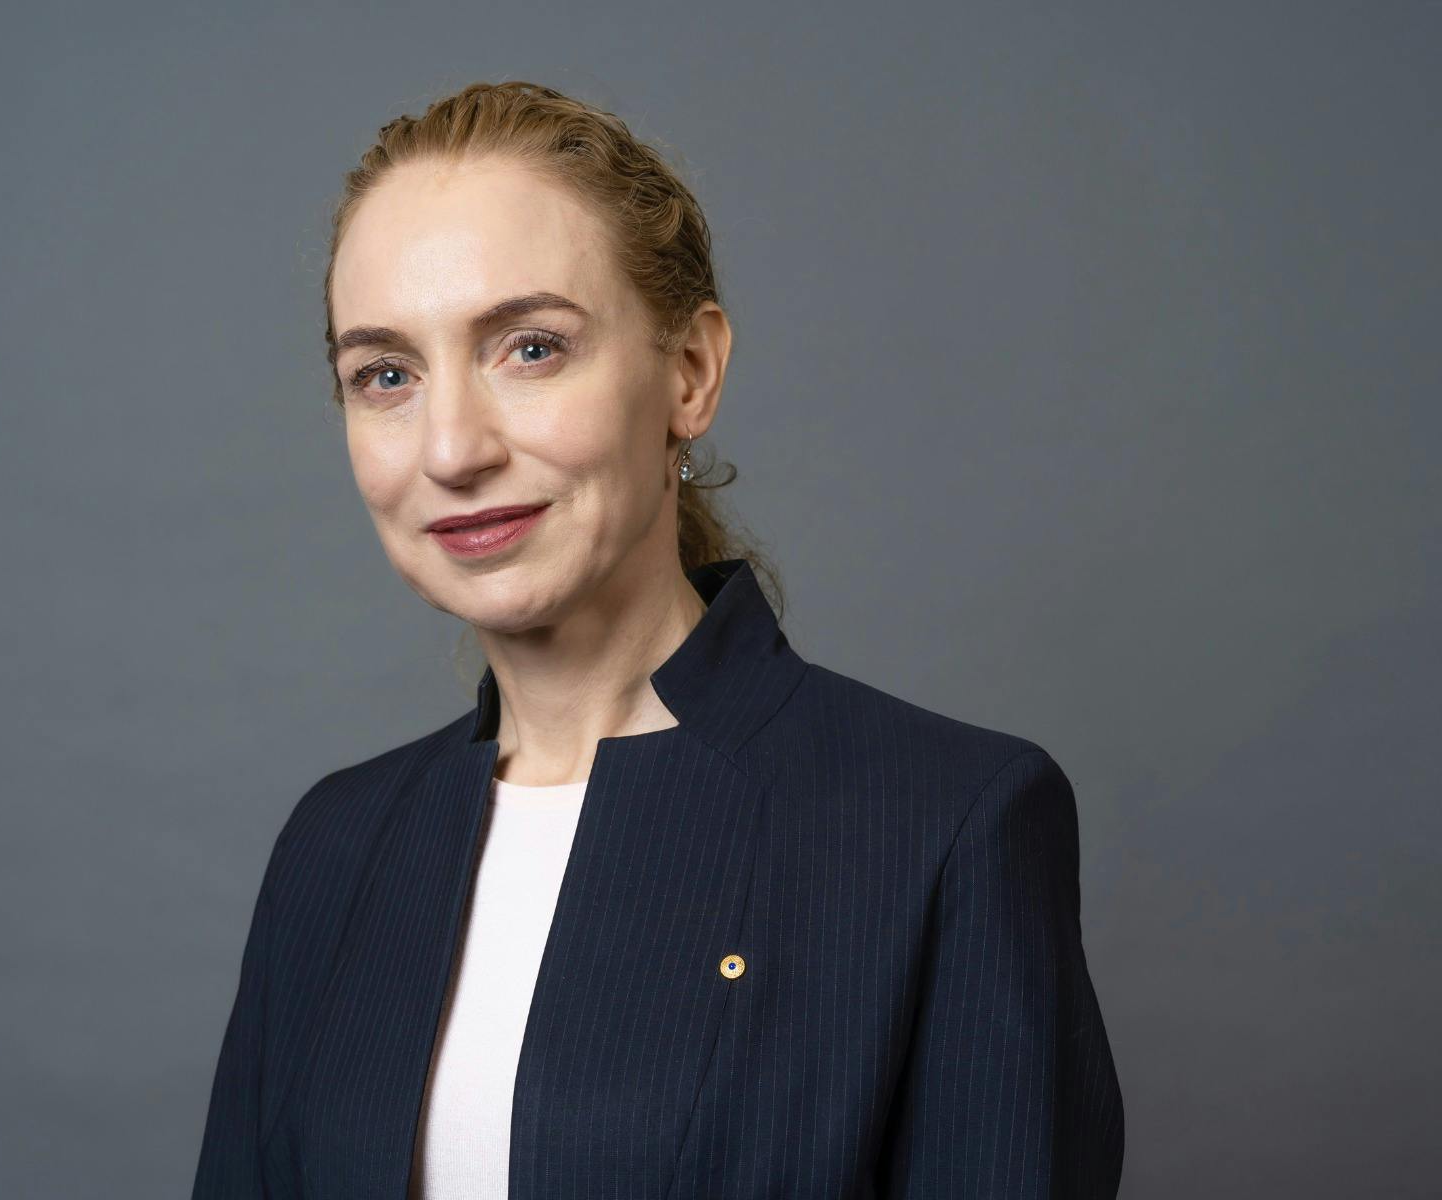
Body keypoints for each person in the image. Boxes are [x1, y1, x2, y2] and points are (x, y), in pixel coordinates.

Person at [192, 80, 1124, 1199]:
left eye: (528, 348)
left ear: (688, 373)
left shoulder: (945, 823)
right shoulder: (333, 848)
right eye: (384, 375)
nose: (449, 448)